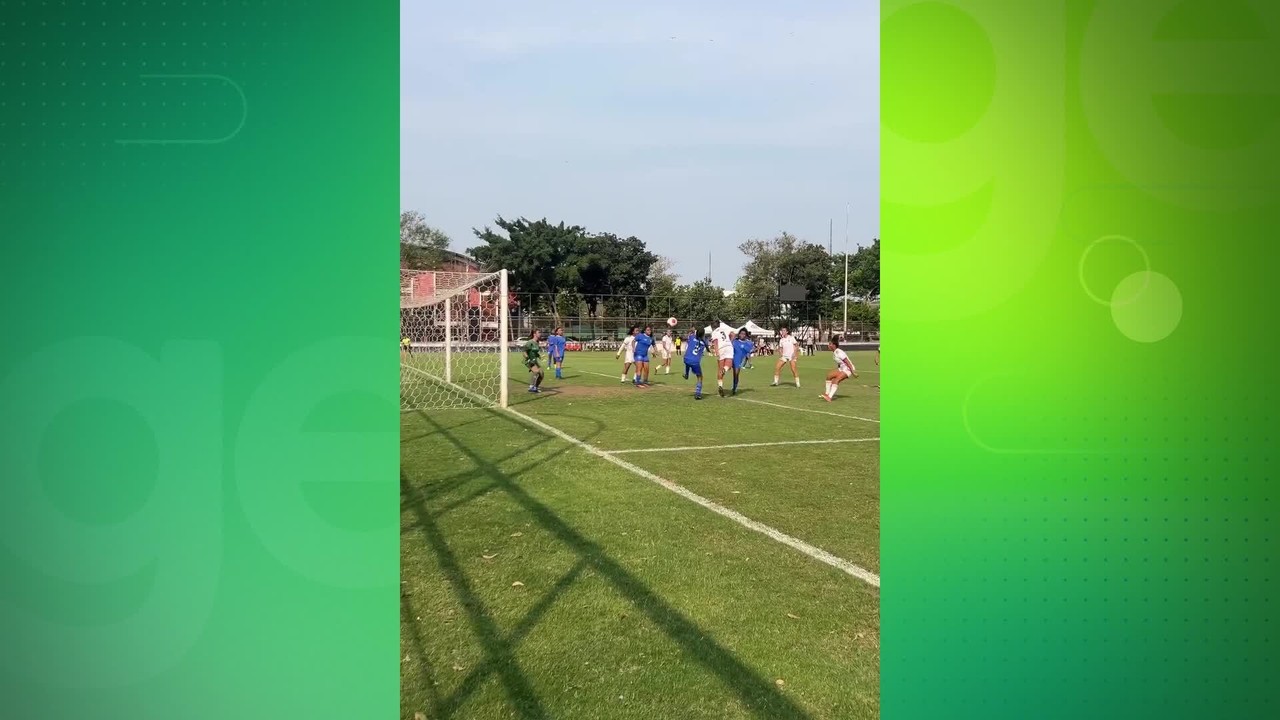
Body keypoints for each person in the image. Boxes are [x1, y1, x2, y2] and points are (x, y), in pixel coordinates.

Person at [820, 335, 858, 402]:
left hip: (848, 369)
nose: (828, 346)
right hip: (842, 368)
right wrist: (838, 370)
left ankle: (829, 397)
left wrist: (853, 372)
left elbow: (847, 362)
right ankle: (827, 394)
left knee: (836, 380)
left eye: (830, 344)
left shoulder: (838, 352)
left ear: (834, 345)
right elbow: (839, 363)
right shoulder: (835, 352)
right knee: (829, 376)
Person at [709, 320, 735, 397]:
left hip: (721, 348)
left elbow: (716, 342)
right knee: (729, 365)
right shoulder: (724, 329)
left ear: (712, 327)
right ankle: (725, 369)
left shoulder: (714, 332)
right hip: (728, 347)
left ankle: (720, 385)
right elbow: (733, 334)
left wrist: (716, 351)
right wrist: (730, 341)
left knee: (720, 369)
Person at [682, 327, 708, 400]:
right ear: (703, 334)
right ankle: (698, 393)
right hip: (695, 362)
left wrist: (691, 331)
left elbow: (689, 334)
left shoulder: (691, 337)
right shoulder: (704, 342)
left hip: (686, 359)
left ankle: (686, 374)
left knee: (687, 362)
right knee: (700, 377)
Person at [731, 328, 754, 395]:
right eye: (741, 333)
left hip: (738, 360)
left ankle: (734, 387)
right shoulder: (735, 341)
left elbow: (750, 350)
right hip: (730, 358)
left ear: (746, 335)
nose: (742, 335)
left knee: (736, 374)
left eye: (744, 334)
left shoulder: (748, 343)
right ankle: (720, 384)